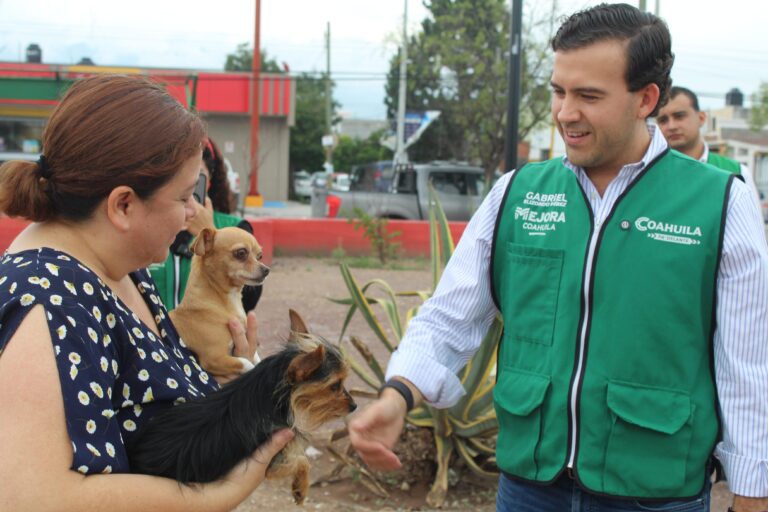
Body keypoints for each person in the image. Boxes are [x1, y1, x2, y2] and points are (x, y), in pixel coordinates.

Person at [348, 4, 768, 512]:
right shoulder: (518, 193)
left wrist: (751, 492)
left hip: (656, 494)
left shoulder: (720, 201)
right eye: (559, 92)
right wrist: (398, 395)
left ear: (646, 99)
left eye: (589, 96)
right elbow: (449, 317)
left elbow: (747, 367)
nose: (566, 112)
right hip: (529, 488)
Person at [0, 75, 292, 511]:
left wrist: (221, 385)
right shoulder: (48, 303)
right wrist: (215, 495)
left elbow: (140, 409)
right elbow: (35, 498)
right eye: (185, 196)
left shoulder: (120, 269)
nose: (195, 212)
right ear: (123, 205)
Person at [150, 137, 262, 311]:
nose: (186, 182)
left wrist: (215, 237)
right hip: (154, 336)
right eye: (176, 173)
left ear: (209, 178)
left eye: (196, 175)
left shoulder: (234, 227)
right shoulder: (146, 226)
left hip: (211, 335)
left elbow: (250, 301)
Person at [656, 86, 764, 215]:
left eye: (679, 116)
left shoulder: (736, 172)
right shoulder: (651, 173)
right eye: (663, 120)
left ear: (701, 118)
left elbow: (753, 230)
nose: (671, 126)